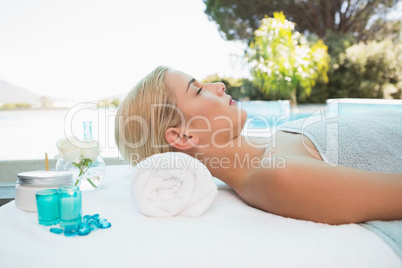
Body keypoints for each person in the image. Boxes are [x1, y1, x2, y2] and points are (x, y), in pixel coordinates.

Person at [115, 66, 402, 225]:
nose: (220, 85)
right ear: (183, 137)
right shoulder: (278, 174)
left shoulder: (271, 148)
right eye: (199, 89)